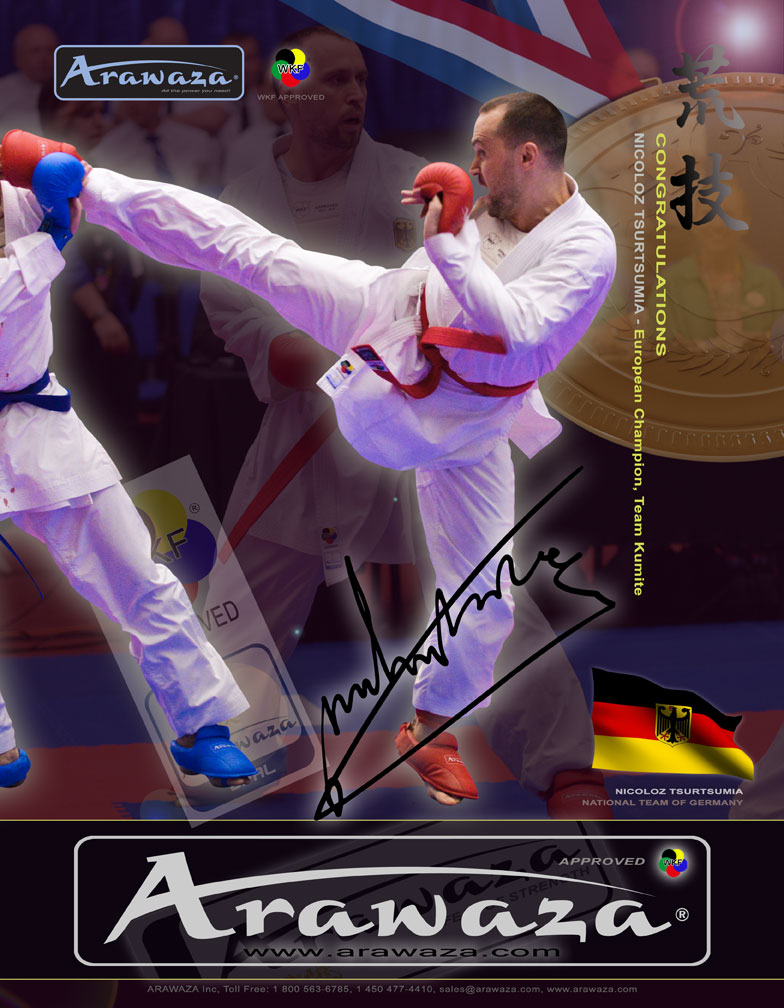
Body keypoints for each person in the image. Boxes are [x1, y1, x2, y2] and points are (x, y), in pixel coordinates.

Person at [18, 91, 616, 809]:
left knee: (485, 596)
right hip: (389, 312)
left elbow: (517, 332)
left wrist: (449, 242)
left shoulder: (587, 248)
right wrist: (446, 241)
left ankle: (432, 727)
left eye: (484, 152)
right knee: (253, 253)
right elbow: (441, 273)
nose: (474, 166)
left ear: (529, 156)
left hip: (470, 423)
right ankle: (88, 184)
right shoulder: (491, 203)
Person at [0, 142, 256, 790]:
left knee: (139, 575)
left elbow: (85, 188)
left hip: (39, 422)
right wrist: (50, 241)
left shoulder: (16, 191)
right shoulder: (35, 235)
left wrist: (63, 174)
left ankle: (205, 728)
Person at [200, 26, 427, 661]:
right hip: (304, 441)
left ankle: (554, 731)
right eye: (335, 80)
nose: (356, 93)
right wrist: (370, 355)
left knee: (491, 608)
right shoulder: (241, 206)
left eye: (361, 79)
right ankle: (230, 727)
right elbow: (267, 345)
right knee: (233, 633)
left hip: (418, 436)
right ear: (290, 94)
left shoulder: (413, 183)